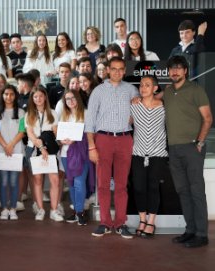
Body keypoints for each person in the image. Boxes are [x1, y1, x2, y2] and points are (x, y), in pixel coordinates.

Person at [85, 57, 138, 238]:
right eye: (113, 69)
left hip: (124, 139)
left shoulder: (132, 90)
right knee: (103, 184)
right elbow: (90, 121)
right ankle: (105, 223)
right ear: (107, 70)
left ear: (124, 71)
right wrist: (91, 146)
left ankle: (121, 223)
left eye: (121, 69)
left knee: (122, 185)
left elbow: (138, 113)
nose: (117, 72)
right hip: (103, 139)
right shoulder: (98, 91)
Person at [165, 56, 212, 248]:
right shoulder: (168, 91)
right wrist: (139, 97)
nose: (174, 72)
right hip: (174, 149)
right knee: (183, 191)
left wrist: (199, 142)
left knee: (196, 191)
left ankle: (202, 234)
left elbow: (208, 118)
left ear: (185, 71)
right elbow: (153, 97)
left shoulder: (196, 90)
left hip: (192, 148)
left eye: (178, 68)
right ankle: (190, 230)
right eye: (171, 69)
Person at [129, 75, 167, 238]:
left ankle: (151, 222)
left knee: (153, 187)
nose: (143, 88)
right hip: (137, 153)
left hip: (158, 154)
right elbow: (128, 123)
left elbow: (170, 91)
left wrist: (161, 95)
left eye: (147, 85)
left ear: (155, 88)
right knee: (138, 187)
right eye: (141, 85)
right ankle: (142, 220)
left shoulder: (164, 106)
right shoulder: (134, 105)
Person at [25, 87, 60, 222]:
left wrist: (62, 142)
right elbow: (31, 135)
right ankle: (40, 209)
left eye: (40, 96)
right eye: (35, 97)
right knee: (38, 180)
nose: (38, 99)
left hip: (50, 150)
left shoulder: (52, 113)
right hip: (35, 149)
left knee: (54, 180)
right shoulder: (29, 114)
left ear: (45, 97)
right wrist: (41, 147)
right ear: (32, 99)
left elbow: (56, 132)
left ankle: (54, 210)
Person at [0, 85, 25, 220]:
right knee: (3, 181)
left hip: (16, 150)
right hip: (0, 150)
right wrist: (5, 146)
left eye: (11, 94)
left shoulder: (21, 112)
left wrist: (10, 145)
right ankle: (5, 208)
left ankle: (13, 208)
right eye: (6, 94)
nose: (8, 97)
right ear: (2, 95)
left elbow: (22, 132)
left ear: (15, 96)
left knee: (14, 181)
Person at [59, 91, 91, 226]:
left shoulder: (87, 113)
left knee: (79, 182)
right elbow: (60, 136)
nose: (70, 101)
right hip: (66, 154)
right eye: (67, 99)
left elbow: (91, 134)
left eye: (73, 98)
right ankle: (76, 210)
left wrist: (76, 139)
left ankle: (80, 211)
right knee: (71, 183)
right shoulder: (64, 115)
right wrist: (62, 140)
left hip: (82, 154)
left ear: (77, 98)